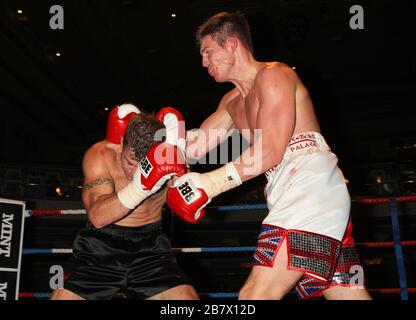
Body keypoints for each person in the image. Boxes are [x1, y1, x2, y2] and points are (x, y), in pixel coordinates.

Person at [166, 12, 371, 300]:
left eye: (209, 52)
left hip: (308, 183)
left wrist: (209, 184)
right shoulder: (231, 102)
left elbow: (271, 149)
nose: (204, 62)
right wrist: (160, 141)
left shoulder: (275, 74)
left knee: (255, 295)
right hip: (292, 189)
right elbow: (195, 147)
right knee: (346, 295)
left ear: (232, 45)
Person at [51, 104, 198, 300]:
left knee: (186, 298)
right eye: (129, 162)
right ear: (121, 142)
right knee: (62, 297)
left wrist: (179, 174)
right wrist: (142, 186)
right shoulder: (100, 155)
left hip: (150, 247)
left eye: (143, 166)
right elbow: (97, 217)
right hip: (99, 246)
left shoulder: (172, 157)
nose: (133, 172)